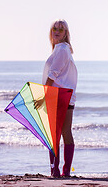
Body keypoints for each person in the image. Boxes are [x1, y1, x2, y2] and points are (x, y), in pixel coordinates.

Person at [42, 19, 78, 178]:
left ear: (66, 34)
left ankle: (56, 171)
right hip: (65, 95)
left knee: (56, 134)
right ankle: (62, 171)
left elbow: (53, 74)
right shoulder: (61, 49)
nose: (57, 31)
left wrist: (43, 94)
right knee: (63, 133)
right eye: (54, 28)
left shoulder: (62, 49)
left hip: (58, 96)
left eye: (61, 29)